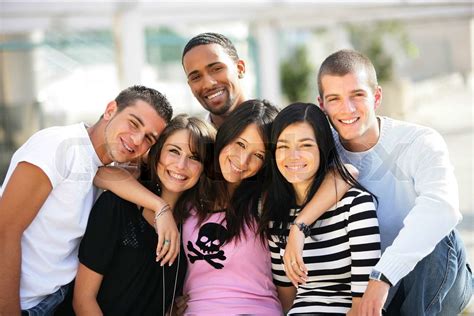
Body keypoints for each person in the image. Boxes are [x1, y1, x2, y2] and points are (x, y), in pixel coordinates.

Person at [285, 49, 473, 315]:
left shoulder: (419, 141)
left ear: (376, 97)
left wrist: (383, 275)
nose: (347, 108)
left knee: (439, 231)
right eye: (334, 99)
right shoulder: (321, 150)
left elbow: (442, 208)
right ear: (322, 104)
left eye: (357, 95)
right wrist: (298, 226)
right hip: (372, 291)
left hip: (435, 277)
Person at [0, 85, 174, 315]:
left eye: (148, 139)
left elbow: (106, 175)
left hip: (56, 301)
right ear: (111, 109)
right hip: (21, 304)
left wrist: (160, 206)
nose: (136, 140)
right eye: (133, 123)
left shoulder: (104, 167)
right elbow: (5, 230)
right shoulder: (58, 146)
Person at [73, 115, 216, 316]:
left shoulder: (193, 225)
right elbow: (83, 300)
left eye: (194, 158)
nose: (181, 165)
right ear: (157, 154)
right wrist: (161, 207)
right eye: (174, 151)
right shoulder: (117, 207)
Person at [261, 102, 381, 315]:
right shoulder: (276, 218)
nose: (293, 155)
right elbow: (287, 301)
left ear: (322, 148)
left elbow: (362, 307)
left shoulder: (355, 206)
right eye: (283, 146)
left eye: (306, 145)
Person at [181, 99, 282, 314]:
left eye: (258, 155)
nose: (243, 160)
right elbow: (105, 175)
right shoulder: (190, 190)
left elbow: (343, 174)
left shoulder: (267, 200)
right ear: (226, 134)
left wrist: (302, 225)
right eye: (240, 144)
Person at [182, 32, 247, 128]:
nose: (208, 84)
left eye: (217, 69)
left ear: (240, 68)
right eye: (196, 77)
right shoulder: (194, 141)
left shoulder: (273, 129)